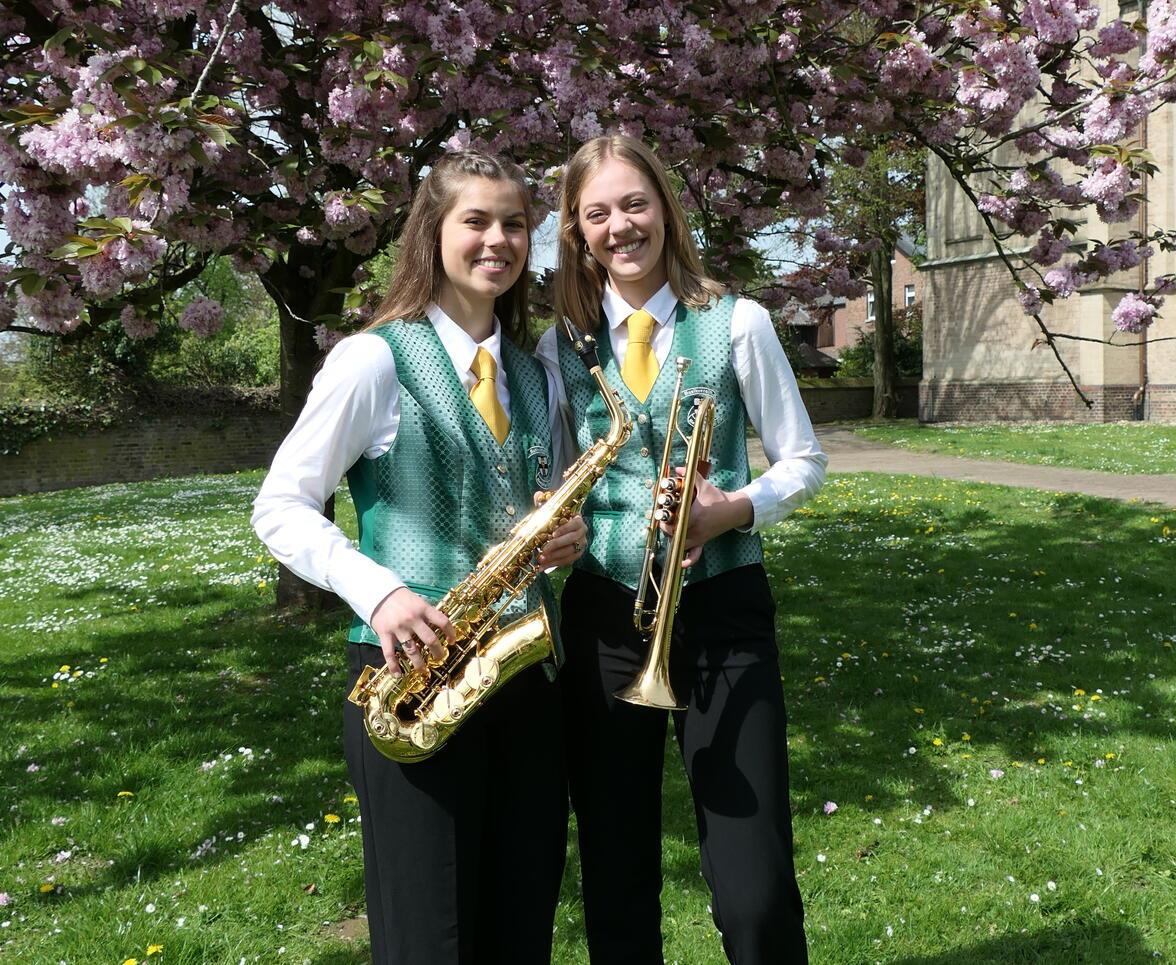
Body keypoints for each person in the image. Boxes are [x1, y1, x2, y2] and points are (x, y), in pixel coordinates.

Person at [252, 149, 587, 965]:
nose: (498, 240)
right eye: (476, 220)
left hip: (524, 685)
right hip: (412, 683)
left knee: (520, 932)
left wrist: (561, 545)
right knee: (428, 939)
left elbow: (533, 512)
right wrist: (379, 593)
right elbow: (280, 504)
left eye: (515, 223)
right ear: (432, 232)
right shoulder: (373, 359)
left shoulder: (534, 374)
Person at [536, 134, 827, 965]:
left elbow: (803, 460)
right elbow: (563, 475)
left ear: (664, 207)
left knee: (755, 885)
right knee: (616, 872)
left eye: (635, 203)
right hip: (603, 617)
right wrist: (562, 529)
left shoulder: (739, 323)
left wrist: (733, 508)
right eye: (598, 212)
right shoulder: (565, 346)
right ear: (577, 231)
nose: (620, 225)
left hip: (722, 613)